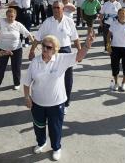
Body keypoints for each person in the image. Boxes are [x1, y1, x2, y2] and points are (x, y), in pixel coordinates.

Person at [24, 33, 94, 161]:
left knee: (55, 128)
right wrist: (27, 97)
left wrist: (87, 46)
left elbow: (78, 56)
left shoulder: (61, 59)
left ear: (55, 49)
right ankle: (41, 143)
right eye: (44, 46)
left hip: (56, 103)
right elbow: (27, 82)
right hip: (38, 103)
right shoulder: (35, 62)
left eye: (49, 47)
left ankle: (56, 148)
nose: (45, 49)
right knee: (38, 127)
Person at [29, 1, 81, 114]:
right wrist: (32, 50)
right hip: (50, 51)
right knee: (50, 78)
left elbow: (75, 38)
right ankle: (50, 99)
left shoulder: (69, 21)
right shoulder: (48, 21)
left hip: (65, 51)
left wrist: (80, 52)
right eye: (54, 8)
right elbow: (38, 38)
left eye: (58, 7)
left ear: (63, 9)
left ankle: (66, 103)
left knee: (67, 78)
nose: (55, 9)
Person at [0, 8, 34, 90]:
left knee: (16, 67)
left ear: (15, 16)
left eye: (12, 16)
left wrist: (33, 43)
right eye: (8, 16)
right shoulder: (2, 21)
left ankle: (17, 83)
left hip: (16, 49)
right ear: (6, 16)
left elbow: (27, 34)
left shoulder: (18, 24)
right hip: (2, 49)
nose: (10, 18)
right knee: (0, 67)